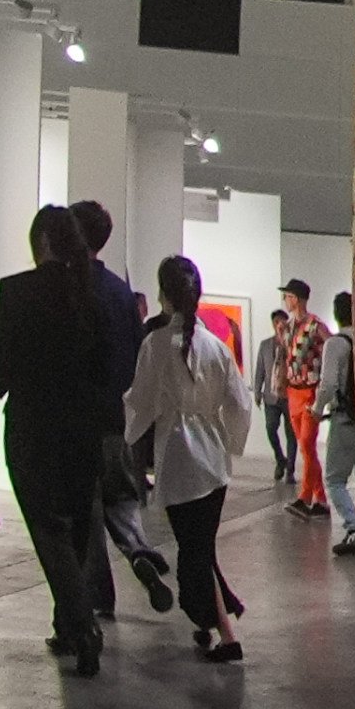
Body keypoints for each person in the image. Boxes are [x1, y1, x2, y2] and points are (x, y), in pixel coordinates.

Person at [0, 205, 120, 675]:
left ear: (41, 241)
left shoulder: (16, 291)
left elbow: (1, 369)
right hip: (82, 432)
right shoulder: (92, 297)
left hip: (31, 429)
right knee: (77, 533)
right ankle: (72, 626)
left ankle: (82, 627)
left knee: (50, 532)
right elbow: (108, 372)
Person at [124, 254, 253, 660]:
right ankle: (215, 623)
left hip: (179, 458)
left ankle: (222, 630)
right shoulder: (215, 347)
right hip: (213, 459)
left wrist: (128, 435)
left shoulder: (155, 345)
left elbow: (140, 402)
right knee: (201, 547)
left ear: (164, 296)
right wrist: (232, 443)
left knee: (194, 550)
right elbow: (239, 403)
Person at [72, 201, 173, 620]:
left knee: (88, 509)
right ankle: (137, 550)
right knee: (120, 498)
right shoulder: (120, 292)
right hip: (118, 420)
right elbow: (137, 357)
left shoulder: (74, 287)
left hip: (82, 419)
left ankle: (100, 596)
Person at [318, 290, 355, 552]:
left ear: (337, 315)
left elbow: (327, 385)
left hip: (343, 418)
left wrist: (316, 410)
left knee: (335, 479)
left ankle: (354, 525)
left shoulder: (335, 344)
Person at [279, 280, 330, 516]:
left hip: (310, 391)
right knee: (304, 446)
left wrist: (323, 386)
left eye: (288, 296)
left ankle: (306, 496)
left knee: (307, 445)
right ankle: (320, 499)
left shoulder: (315, 326)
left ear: (296, 299)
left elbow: (329, 348)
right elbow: (287, 357)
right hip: (293, 391)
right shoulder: (287, 327)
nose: (285, 301)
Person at [258, 305, 296, 483]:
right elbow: (260, 370)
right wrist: (257, 391)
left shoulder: (293, 343)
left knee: (291, 434)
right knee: (270, 428)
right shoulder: (265, 345)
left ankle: (290, 471)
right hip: (271, 396)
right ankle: (280, 459)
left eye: (282, 321)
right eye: (276, 322)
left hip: (289, 396)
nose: (279, 324)